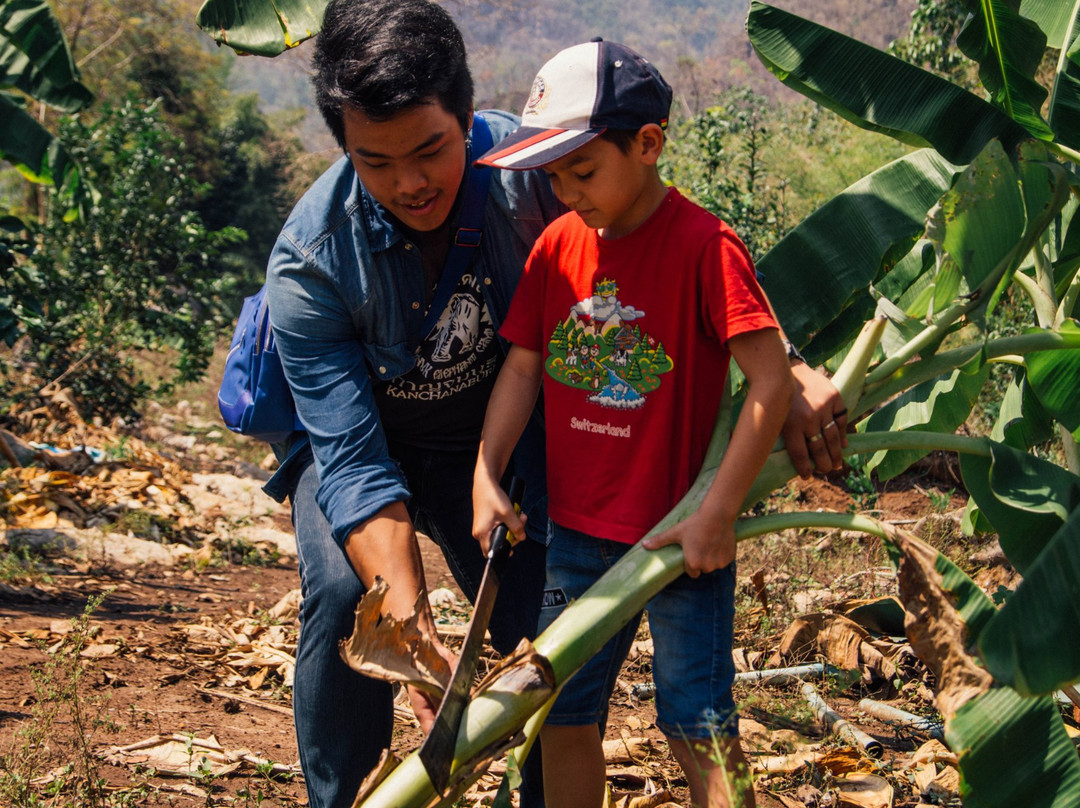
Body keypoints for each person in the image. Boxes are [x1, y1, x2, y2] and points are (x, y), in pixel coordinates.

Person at [257, 1, 847, 806]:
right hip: (372, 447)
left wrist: (791, 369)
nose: (411, 183)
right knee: (346, 602)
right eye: (376, 163)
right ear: (343, 149)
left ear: (468, 118)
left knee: (538, 649)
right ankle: (342, 796)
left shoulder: (537, 169)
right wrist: (407, 616)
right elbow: (355, 466)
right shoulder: (310, 263)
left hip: (506, 445)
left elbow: (665, 243)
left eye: (431, 150)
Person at [472, 40, 797, 808]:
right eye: (553, 176)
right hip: (578, 535)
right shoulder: (557, 247)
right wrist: (485, 474)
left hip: (681, 537)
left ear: (648, 145)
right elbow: (522, 367)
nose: (567, 191)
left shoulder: (704, 247)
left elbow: (771, 379)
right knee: (562, 715)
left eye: (582, 172)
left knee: (698, 724)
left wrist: (716, 514)